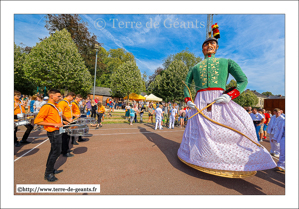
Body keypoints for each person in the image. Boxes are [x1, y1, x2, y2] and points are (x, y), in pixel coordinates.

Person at [178, 34, 276, 177]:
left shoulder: (226, 62)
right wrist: (188, 99)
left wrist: (230, 95)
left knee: (233, 125)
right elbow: (186, 85)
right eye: (206, 44)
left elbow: (243, 80)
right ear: (202, 49)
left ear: (217, 47)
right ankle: (198, 158)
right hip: (199, 102)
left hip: (219, 100)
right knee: (199, 131)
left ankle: (229, 162)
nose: (209, 46)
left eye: (212, 44)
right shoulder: (195, 67)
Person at [34, 89, 66, 182]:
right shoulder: (47, 106)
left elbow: (54, 118)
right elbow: (37, 121)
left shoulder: (55, 106)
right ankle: (48, 174)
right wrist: (55, 124)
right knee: (56, 152)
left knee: (54, 151)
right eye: (58, 96)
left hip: (57, 131)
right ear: (52, 96)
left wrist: (62, 121)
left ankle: (50, 169)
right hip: (53, 132)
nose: (60, 98)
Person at [58, 92, 75, 157]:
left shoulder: (68, 103)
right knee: (65, 137)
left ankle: (66, 149)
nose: (73, 99)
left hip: (68, 121)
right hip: (65, 121)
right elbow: (60, 113)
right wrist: (66, 120)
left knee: (68, 136)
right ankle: (64, 151)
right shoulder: (62, 102)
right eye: (73, 98)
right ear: (70, 96)